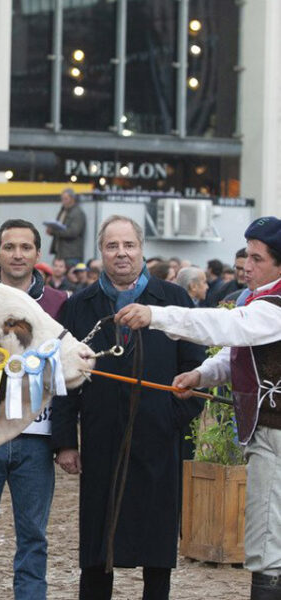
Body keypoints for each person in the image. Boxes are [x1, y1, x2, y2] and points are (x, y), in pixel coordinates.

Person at [114, 215, 281, 600]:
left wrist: (156, 315)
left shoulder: (273, 304)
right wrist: (201, 375)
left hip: (275, 435)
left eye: (257, 258)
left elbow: (228, 327)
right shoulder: (256, 298)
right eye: (247, 257)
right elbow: (235, 351)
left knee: (267, 544)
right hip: (265, 434)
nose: (247, 266)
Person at [51, 215, 205, 600]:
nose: (121, 254)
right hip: (101, 439)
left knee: (156, 544)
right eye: (112, 246)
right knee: (98, 544)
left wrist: (171, 417)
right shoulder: (79, 306)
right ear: (100, 251)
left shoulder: (173, 300)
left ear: (142, 248)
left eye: (129, 245)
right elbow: (64, 382)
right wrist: (66, 441)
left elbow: (195, 370)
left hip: (158, 439)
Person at [0, 219, 67, 600]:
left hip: (37, 436)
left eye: (25, 247)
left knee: (34, 537)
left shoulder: (59, 303)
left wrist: (67, 439)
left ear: (39, 254)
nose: (17, 254)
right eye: (9, 247)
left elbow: (69, 374)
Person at [46, 188, 86, 265]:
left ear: (73, 199)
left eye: (65, 199)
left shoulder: (78, 213)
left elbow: (73, 232)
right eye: (62, 199)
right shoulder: (63, 211)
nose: (63, 201)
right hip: (60, 253)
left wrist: (53, 231)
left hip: (71, 255)